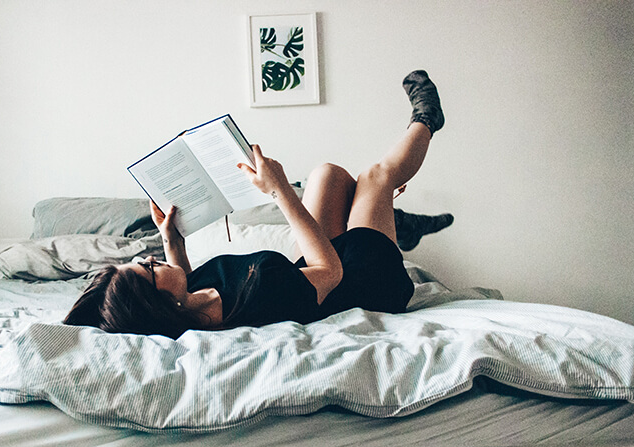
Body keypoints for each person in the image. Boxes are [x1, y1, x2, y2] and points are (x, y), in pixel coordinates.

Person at [64, 70, 445, 339]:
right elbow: (328, 272)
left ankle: (395, 223)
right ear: (159, 305)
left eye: (142, 260)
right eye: (147, 270)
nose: (150, 260)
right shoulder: (254, 297)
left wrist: (171, 240)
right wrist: (279, 190)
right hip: (363, 279)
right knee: (375, 178)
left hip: (309, 272)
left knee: (328, 175)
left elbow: (184, 277)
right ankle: (426, 119)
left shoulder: (190, 303)